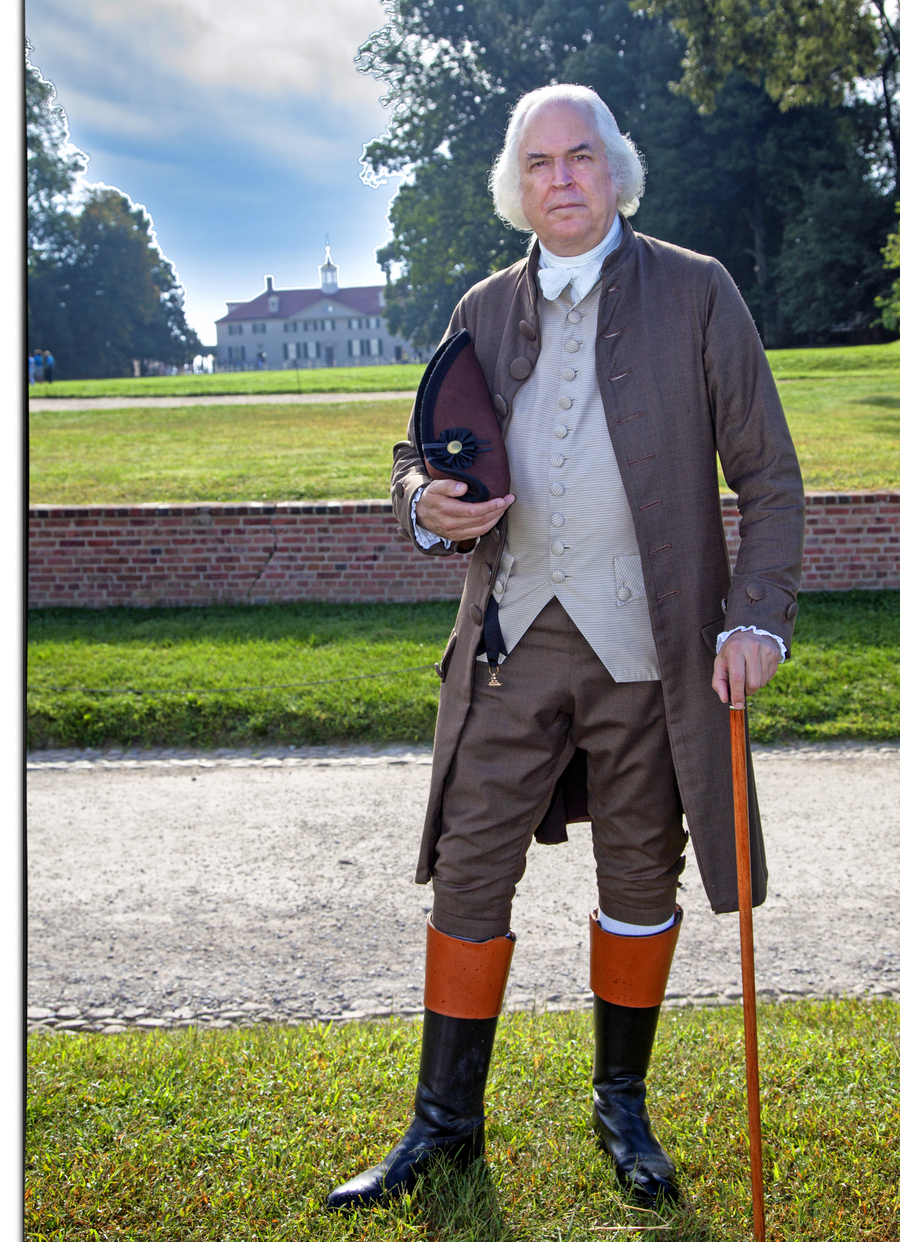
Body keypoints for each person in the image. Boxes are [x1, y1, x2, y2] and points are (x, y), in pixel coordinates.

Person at [326, 83, 804, 1213]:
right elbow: (420, 449)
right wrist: (420, 503)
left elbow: (771, 481)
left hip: (652, 650)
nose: (562, 179)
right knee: (468, 864)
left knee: (642, 869)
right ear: (516, 186)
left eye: (580, 156)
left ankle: (619, 1108)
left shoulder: (697, 290)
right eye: (538, 164)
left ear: (615, 168)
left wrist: (755, 617)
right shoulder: (484, 306)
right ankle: (443, 1125)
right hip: (509, 639)